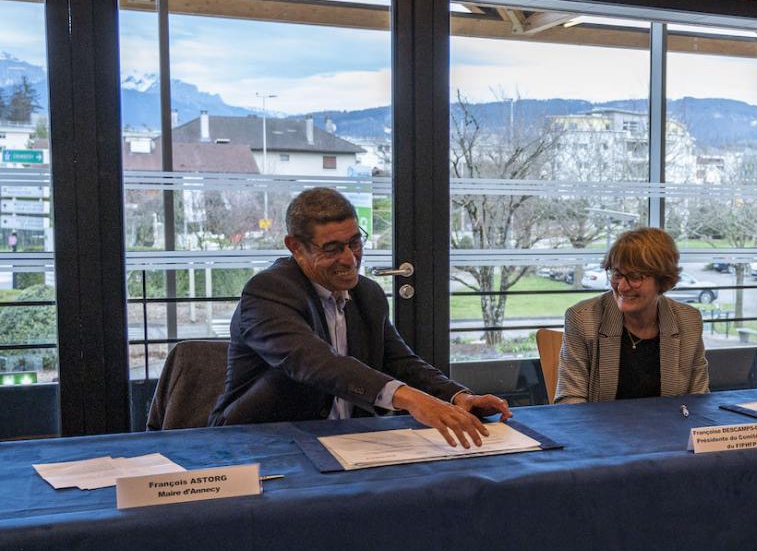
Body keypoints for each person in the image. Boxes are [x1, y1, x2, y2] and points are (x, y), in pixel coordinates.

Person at [209, 188, 510, 447]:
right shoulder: (268, 293)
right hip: (265, 443)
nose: (350, 259)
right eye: (332, 249)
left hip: (352, 442)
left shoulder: (367, 294)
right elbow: (318, 364)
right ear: (295, 247)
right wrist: (412, 400)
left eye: (354, 242)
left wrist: (456, 396)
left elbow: (401, 363)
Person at [555, 227, 708, 403]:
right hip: (600, 429)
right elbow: (570, 401)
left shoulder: (688, 321)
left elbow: (699, 401)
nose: (622, 287)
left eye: (635, 277)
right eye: (617, 274)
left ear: (662, 279)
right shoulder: (583, 319)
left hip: (669, 428)